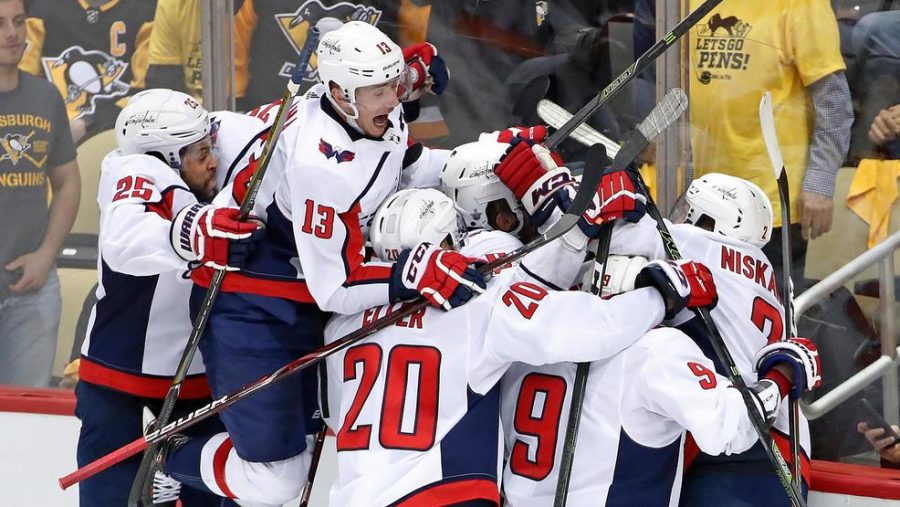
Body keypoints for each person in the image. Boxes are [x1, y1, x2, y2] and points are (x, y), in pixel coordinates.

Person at [159, 21, 470, 506]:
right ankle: (168, 456)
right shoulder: (319, 164)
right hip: (253, 314)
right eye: (378, 90)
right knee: (276, 483)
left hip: (304, 302)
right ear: (340, 94)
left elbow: (403, 162)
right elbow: (338, 286)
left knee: (299, 458)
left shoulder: (367, 108)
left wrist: (484, 161)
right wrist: (413, 274)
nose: (393, 99)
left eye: (393, 84)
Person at [321, 185, 719, 505]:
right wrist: (660, 297)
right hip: (444, 495)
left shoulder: (340, 330)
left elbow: (335, 418)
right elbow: (585, 329)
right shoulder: (475, 309)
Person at [74, 88, 263, 506]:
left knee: (212, 496)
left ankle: (169, 464)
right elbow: (124, 241)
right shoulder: (137, 171)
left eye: (209, 147)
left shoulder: (196, 158)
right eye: (199, 153)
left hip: (194, 370)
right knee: (107, 496)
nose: (213, 159)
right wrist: (192, 233)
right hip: (118, 367)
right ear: (166, 157)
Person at [687, 0, 853, 283]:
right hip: (700, 195)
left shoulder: (803, 4)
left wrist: (820, 181)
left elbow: (834, 103)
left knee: (769, 312)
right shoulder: (683, 4)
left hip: (768, 202)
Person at [0, 0, 80, 388]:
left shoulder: (46, 98)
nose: (12, 33)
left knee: (26, 423)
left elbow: (67, 182)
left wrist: (47, 254)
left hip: (32, 288)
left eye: (18, 22)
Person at [19, 0, 156, 142]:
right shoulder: (42, 9)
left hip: (116, 135)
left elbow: (149, 93)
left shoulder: (146, 11)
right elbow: (19, 84)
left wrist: (90, 124)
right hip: (47, 132)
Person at [145, 0, 249, 104]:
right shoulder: (174, 3)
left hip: (248, 109)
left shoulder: (256, 6)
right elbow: (164, 89)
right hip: (193, 111)